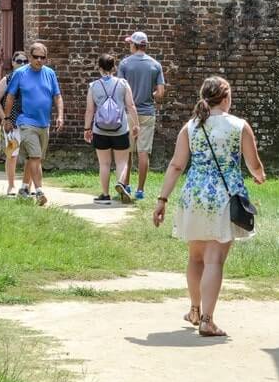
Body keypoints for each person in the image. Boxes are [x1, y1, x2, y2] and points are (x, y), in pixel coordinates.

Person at [152, 76, 266, 337]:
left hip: (194, 196)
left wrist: (162, 200)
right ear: (226, 98)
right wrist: (259, 176)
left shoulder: (191, 127)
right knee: (214, 260)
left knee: (195, 257)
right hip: (224, 198)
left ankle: (194, 309)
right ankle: (207, 320)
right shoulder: (239, 126)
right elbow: (253, 163)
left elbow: (176, 165)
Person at [3, 41, 64, 206]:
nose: (39, 60)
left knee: (34, 158)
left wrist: (60, 115)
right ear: (30, 57)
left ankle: (23, 188)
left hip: (44, 123)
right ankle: (39, 191)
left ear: (46, 58)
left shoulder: (50, 73)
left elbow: (57, 96)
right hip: (25, 121)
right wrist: (7, 118)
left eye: (42, 57)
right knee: (35, 156)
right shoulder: (20, 74)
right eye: (36, 57)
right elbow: (9, 96)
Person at [84, 54, 140, 204]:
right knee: (122, 161)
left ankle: (104, 194)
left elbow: (90, 110)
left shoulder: (93, 86)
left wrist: (87, 128)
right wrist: (136, 124)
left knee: (104, 163)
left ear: (99, 68)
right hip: (120, 129)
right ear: (114, 67)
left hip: (100, 129)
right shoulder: (123, 84)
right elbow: (131, 106)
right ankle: (121, 184)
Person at [117, 30, 165, 202]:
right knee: (143, 152)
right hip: (147, 113)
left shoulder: (124, 64)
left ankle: (126, 184)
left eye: (130, 43)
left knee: (127, 151)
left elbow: (120, 88)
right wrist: (150, 94)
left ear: (134, 45)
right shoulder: (155, 65)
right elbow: (160, 93)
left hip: (129, 112)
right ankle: (140, 190)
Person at [0, 50, 33, 196]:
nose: (22, 64)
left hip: (29, 122)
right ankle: (11, 186)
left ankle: (27, 185)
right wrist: (4, 118)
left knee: (31, 155)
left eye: (24, 61)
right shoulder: (8, 79)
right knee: (12, 154)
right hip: (12, 122)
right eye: (19, 61)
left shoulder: (31, 79)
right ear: (13, 63)